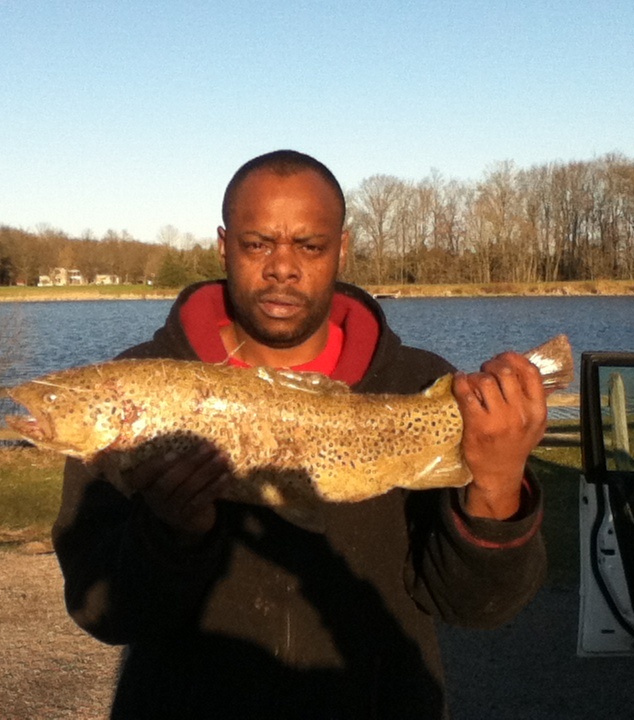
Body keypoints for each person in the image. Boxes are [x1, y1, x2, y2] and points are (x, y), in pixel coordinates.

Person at [52, 150, 547, 719]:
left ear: (342, 247)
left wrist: (499, 483)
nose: (281, 267)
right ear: (223, 245)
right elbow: (101, 611)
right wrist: (171, 535)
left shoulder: (420, 386)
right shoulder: (133, 393)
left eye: (309, 247)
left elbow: (473, 606)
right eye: (257, 243)